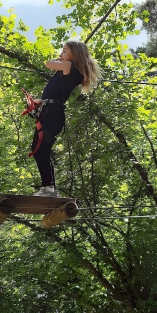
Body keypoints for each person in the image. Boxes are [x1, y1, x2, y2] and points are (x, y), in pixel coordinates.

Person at [30, 40, 101, 197]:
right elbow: (57, 94)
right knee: (42, 149)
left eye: (64, 51)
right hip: (52, 112)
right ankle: (49, 189)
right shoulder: (67, 71)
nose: (61, 54)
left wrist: (58, 59)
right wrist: (41, 101)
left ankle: (48, 189)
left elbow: (48, 63)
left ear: (74, 54)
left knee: (38, 148)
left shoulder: (69, 66)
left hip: (52, 114)